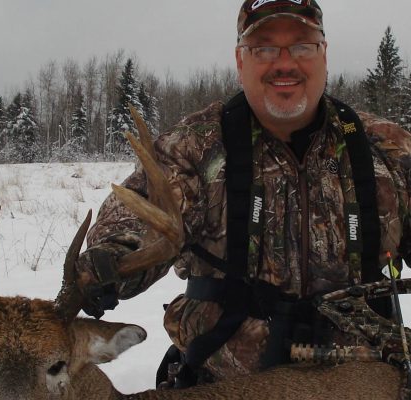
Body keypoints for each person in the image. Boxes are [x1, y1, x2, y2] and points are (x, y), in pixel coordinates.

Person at [76, 0, 411, 388]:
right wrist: (112, 257)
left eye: (301, 46)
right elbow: (139, 213)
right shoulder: (194, 147)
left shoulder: (385, 148)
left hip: (368, 385)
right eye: (264, 48)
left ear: (324, 54)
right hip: (224, 386)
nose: (284, 63)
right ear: (240, 60)